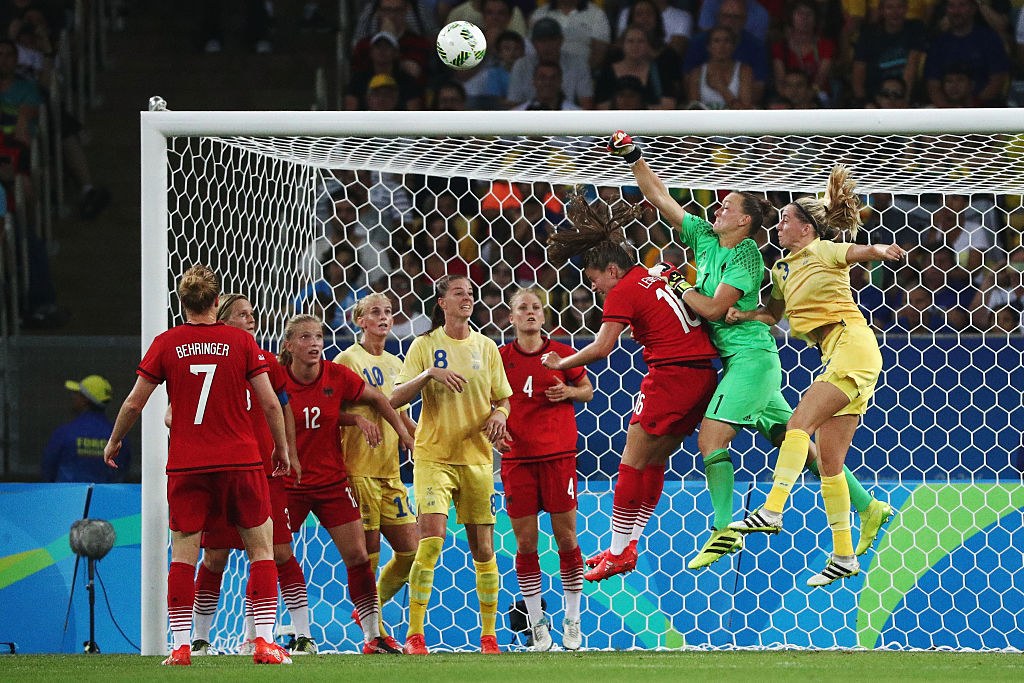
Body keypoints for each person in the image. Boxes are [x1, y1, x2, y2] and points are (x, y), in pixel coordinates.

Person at [606, 131, 891, 571]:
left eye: (727, 206)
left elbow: (717, 309)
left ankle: (723, 530)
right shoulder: (703, 238)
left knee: (712, 437)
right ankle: (867, 506)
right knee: (796, 443)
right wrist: (633, 157)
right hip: (744, 362)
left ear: (743, 222)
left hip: (751, 361)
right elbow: (661, 196)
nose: (717, 208)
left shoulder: (748, 260)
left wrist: (676, 283)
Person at [724, 166, 906, 586]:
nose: (780, 225)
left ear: (807, 229)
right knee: (829, 463)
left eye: (787, 220)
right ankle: (845, 554)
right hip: (836, 354)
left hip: (852, 345)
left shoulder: (825, 250)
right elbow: (773, 314)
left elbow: (857, 253)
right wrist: (743, 315)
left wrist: (881, 251)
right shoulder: (782, 270)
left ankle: (772, 508)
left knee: (796, 425)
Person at [102, 265, 292, 666]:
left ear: (181, 301)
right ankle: (264, 643)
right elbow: (270, 401)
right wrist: (281, 449)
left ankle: (182, 646)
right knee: (261, 549)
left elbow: (136, 401)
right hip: (240, 460)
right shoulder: (240, 341)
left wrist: (116, 438)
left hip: (188, 464)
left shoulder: (166, 343)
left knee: (184, 555)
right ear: (218, 302)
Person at [540, 192, 719, 582]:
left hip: (671, 375)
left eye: (596, 281)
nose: (598, 289)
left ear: (611, 270)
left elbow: (604, 347)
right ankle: (626, 546)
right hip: (701, 374)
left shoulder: (623, 290)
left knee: (630, 463)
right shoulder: (656, 271)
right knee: (653, 462)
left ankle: (619, 552)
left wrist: (561, 362)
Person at [389, 274, 513, 655]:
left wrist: (501, 416)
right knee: (431, 542)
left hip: (476, 458)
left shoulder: (487, 346)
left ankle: (489, 637)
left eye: (471, 293)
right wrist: (429, 375)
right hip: (434, 457)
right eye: (459, 293)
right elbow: (393, 398)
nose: (468, 298)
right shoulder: (424, 346)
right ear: (441, 302)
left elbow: (503, 400)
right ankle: (415, 635)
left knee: (484, 549)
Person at [185, 294, 314, 657]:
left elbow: (283, 408)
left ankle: (296, 635)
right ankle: (200, 638)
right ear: (223, 319)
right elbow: (172, 412)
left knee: (280, 551)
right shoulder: (209, 361)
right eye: (243, 315)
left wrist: (287, 450)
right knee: (215, 556)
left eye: (252, 314)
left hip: (266, 472)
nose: (252, 319)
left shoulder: (268, 363)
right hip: (223, 472)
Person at [279, 313, 415, 654]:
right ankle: (284, 635)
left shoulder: (336, 374)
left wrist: (402, 433)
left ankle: (373, 636)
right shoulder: (275, 380)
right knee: (275, 554)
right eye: (306, 338)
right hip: (288, 482)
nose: (314, 344)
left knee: (357, 555)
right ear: (289, 345)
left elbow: (379, 398)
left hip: (331, 482)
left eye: (319, 337)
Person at [498, 287, 594, 651]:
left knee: (567, 538)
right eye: (522, 308)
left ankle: (572, 619)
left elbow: (587, 389)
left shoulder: (563, 354)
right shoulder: (500, 358)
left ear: (544, 314)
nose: (530, 312)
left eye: (536, 307)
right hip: (517, 460)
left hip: (558, 456)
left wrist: (569, 393)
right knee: (526, 543)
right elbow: (488, 400)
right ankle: (538, 624)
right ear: (512, 317)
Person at [334, 293, 419, 651]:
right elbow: (327, 411)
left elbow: (399, 413)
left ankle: (370, 608)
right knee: (368, 552)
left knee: (411, 550)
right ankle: (376, 632)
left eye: (387, 311)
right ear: (360, 321)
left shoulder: (397, 363)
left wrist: (419, 438)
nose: (384, 317)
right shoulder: (346, 360)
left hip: (390, 472)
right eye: (375, 312)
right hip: (359, 470)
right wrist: (355, 420)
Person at [42, 375, 130, 482]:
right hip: (107, 497)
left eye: (77, 394)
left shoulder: (65, 434)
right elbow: (122, 471)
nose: (73, 397)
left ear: (85, 400)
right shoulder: (119, 438)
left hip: (68, 497)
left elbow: (48, 470)